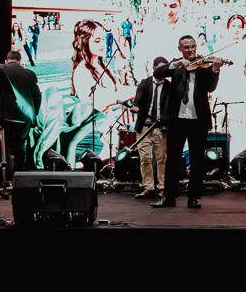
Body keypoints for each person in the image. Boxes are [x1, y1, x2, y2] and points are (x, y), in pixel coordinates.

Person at [151, 35, 222, 209]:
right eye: (187, 47)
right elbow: (157, 73)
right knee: (173, 160)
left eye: (193, 47)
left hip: (198, 120)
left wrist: (215, 69)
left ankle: (194, 198)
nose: (190, 50)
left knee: (197, 161)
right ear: (180, 49)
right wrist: (176, 64)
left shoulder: (204, 66)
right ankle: (169, 198)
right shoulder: (176, 65)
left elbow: (210, 88)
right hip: (177, 119)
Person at [70, 19, 134, 160]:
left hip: (111, 128)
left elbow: (118, 89)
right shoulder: (82, 71)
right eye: (97, 40)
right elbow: (102, 100)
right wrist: (138, 91)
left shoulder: (102, 65)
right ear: (84, 42)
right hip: (96, 134)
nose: (103, 44)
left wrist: (140, 87)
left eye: (103, 39)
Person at [0, 50, 42, 179]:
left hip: (7, 116)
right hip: (26, 118)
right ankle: (19, 179)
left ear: (6, 60)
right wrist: (34, 114)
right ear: (20, 61)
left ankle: (7, 179)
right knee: (21, 149)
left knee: (4, 147)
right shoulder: (30, 74)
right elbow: (37, 96)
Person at [132, 0, 194, 79]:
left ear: (180, 5)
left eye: (172, 6)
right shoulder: (150, 30)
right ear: (159, 5)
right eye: (164, 5)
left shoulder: (188, 32)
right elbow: (139, 63)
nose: (168, 11)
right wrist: (147, 87)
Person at [131, 56, 170, 199]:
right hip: (144, 127)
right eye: (160, 68)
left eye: (164, 68)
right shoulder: (145, 83)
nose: (162, 71)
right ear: (153, 69)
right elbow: (137, 100)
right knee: (145, 158)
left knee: (161, 159)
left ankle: (162, 187)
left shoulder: (169, 86)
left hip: (160, 128)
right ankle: (148, 187)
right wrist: (135, 107)